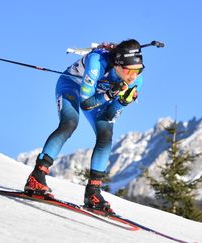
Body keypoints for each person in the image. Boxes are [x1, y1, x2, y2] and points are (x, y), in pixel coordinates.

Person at [24, 39, 144, 213]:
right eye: (129, 70)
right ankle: (37, 176)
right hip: (71, 86)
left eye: (138, 70)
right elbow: (86, 104)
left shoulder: (136, 81)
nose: (133, 76)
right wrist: (110, 95)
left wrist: (122, 103)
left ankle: (93, 192)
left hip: (99, 96)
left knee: (105, 136)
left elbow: (109, 114)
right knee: (69, 123)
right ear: (118, 65)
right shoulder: (97, 63)